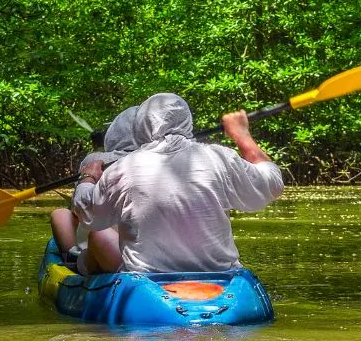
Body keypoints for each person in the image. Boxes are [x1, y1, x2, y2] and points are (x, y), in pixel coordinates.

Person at [72, 92, 283, 274]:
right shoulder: (219, 157)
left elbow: (90, 218)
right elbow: (272, 183)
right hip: (221, 274)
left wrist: (87, 179)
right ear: (187, 122)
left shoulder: (122, 168)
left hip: (148, 280)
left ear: (140, 128)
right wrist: (242, 135)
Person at [49, 106, 137, 265]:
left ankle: (72, 257)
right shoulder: (161, 159)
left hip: (103, 245)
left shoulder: (94, 159)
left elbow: (78, 210)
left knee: (60, 215)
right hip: (144, 247)